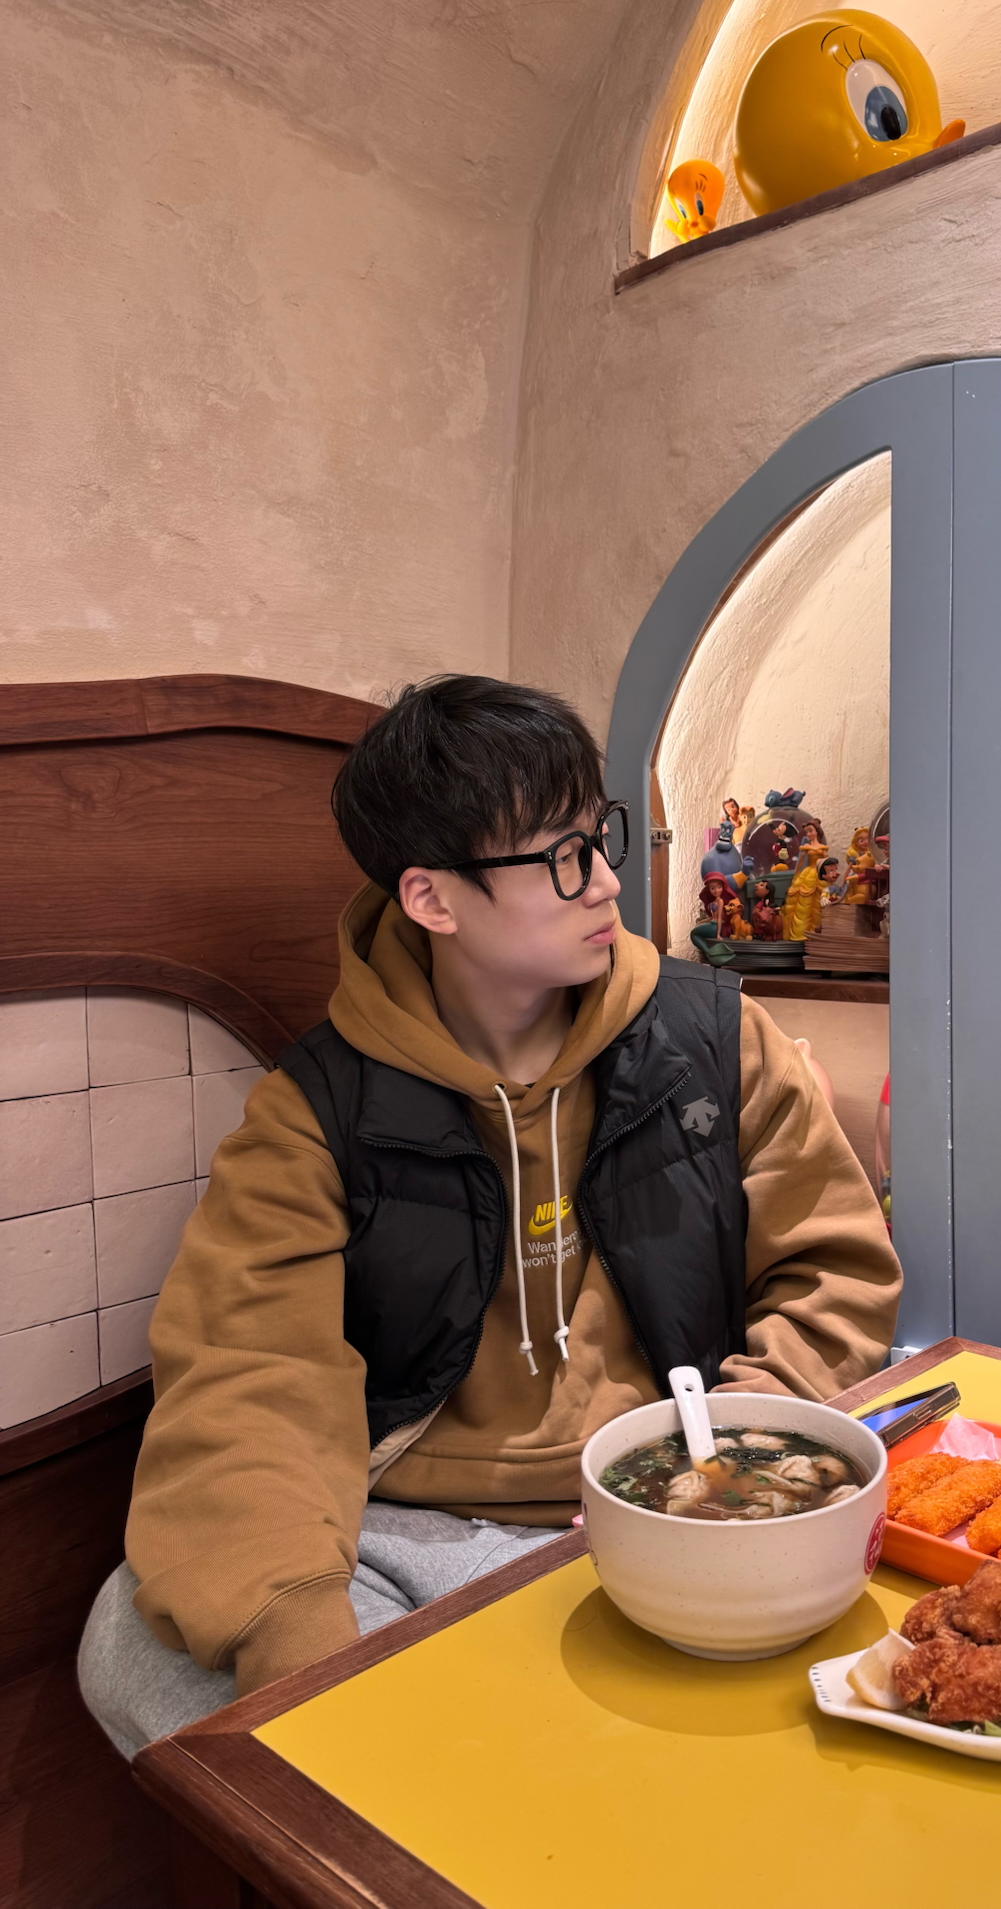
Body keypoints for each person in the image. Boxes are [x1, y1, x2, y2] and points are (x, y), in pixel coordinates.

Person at [79, 676, 900, 1757]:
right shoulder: (315, 1111)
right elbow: (249, 1375)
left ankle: (491, 1760)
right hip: (405, 1534)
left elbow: (834, 1268)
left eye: (598, 838)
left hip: (670, 1490)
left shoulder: (711, 1039)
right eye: (562, 858)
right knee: (130, 1635)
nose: (606, 880)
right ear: (432, 900)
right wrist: (302, 1640)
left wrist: (736, 1460)